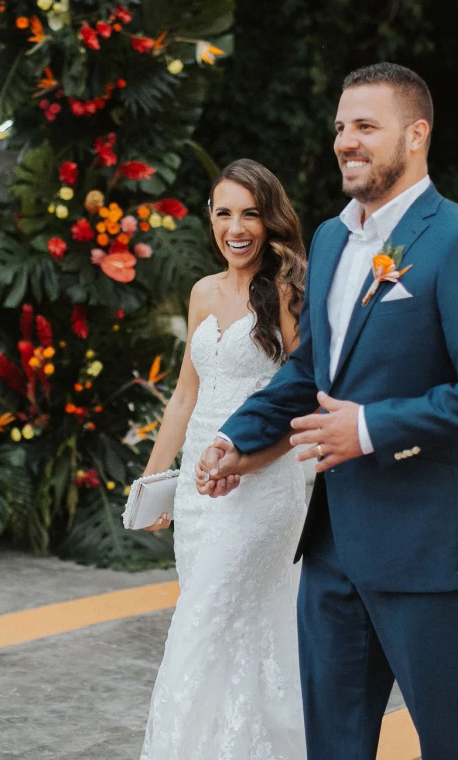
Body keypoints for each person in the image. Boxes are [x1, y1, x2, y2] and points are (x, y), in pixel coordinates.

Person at [196, 63, 458, 759]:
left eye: (366, 127)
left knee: (452, 742)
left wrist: (372, 427)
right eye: (341, 127)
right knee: (336, 744)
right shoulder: (328, 239)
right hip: (334, 547)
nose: (347, 141)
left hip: (435, 547)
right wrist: (237, 438)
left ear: (416, 135)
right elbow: (311, 372)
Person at [136, 159, 309, 760]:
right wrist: (159, 480)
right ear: (210, 218)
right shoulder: (203, 292)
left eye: (251, 213)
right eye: (224, 212)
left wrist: (253, 459)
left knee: (202, 624)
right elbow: (186, 394)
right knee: (230, 626)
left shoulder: (288, 290)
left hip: (263, 483)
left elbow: (305, 392)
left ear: (271, 219)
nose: (236, 228)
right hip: (198, 487)